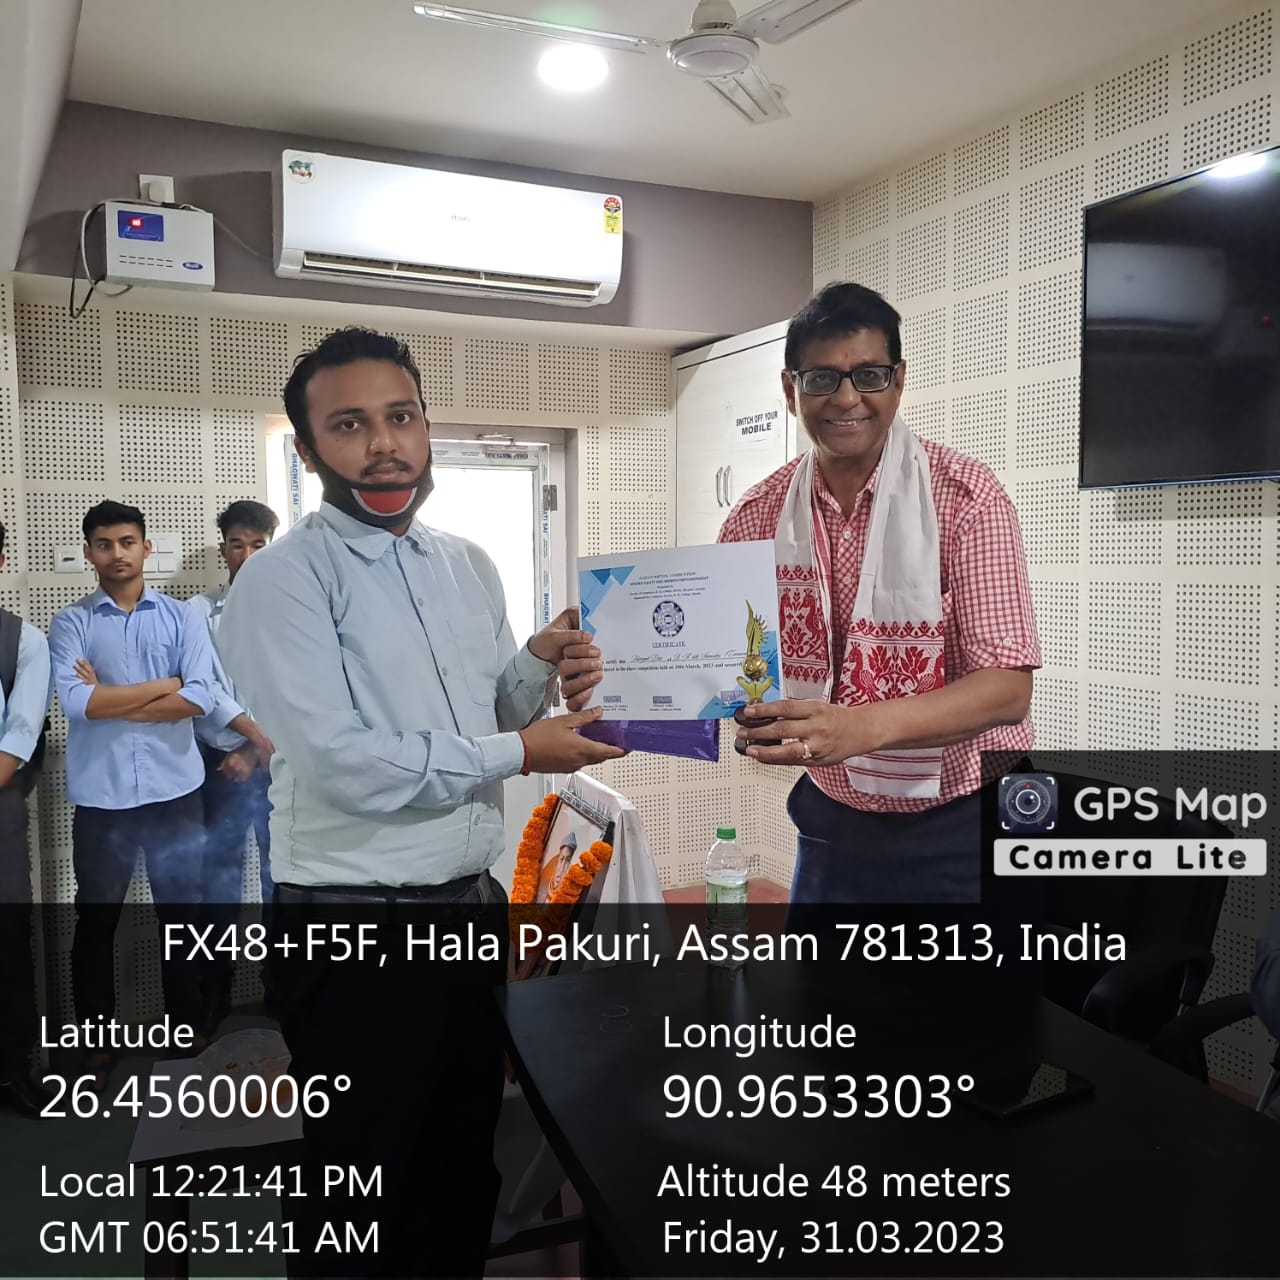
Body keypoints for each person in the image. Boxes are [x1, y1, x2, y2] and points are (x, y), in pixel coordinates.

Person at [218, 326, 620, 1277]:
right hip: (354, 928)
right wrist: (523, 749)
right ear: (308, 447)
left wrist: (538, 662)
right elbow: (342, 761)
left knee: (458, 1169)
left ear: (428, 425)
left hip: (467, 912)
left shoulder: (466, 561)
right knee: (364, 1188)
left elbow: (491, 711)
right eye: (349, 424)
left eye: (400, 416)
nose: (383, 445)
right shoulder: (282, 580)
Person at [724, 282, 1041, 905]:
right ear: (791, 390)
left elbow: (1007, 690)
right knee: (821, 976)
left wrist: (859, 728)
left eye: (868, 375)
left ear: (897, 381)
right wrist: (616, 667)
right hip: (833, 823)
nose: (847, 399)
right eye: (822, 379)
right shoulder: (757, 516)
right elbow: (732, 664)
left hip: (968, 822)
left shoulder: (966, 498)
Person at [48, 501, 220, 1089]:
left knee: (183, 920)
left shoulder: (181, 617)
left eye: (127, 542)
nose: (117, 553)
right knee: (96, 923)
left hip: (177, 791)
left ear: (146, 548)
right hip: (103, 798)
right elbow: (78, 704)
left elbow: (200, 697)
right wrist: (166, 685)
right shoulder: (71, 623)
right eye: (104, 543)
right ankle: (96, 1046)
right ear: (89, 553)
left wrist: (113, 698)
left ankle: (185, 1029)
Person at [190, 500, 278, 1035]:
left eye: (258, 545)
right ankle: (213, 996)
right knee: (217, 882)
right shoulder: (198, 611)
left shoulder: (293, 606)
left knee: (281, 879)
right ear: (223, 549)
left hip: (278, 761)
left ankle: (281, 990)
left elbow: (292, 685)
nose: (246, 555)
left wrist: (255, 748)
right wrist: (243, 744)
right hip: (218, 763)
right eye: (237, 545)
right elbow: (202, 687)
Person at [0, 521, 54, 1117]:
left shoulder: (23, 640)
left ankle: (14, 1069)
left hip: (0, 802)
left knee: (8, 941)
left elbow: (20, 734)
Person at [537, 830, 578, 902]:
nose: (561, 869)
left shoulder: (567, 894)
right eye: (561, 859)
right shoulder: (544, 884)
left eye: (567, 860)